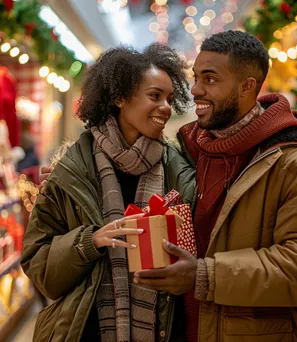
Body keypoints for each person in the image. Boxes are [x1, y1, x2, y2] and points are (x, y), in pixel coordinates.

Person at [132, 30, 297, 342]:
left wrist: (204, 275)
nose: (195, 90)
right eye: (196, 77)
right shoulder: (192, 154)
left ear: (247, 87)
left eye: (210, 79)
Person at [21, 43, 195, 342]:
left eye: (170, 99)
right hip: (86, 329)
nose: (166, 107)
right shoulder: (70, 171)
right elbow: (40, 268)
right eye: (155, 96)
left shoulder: (179, 169)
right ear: (119, 97)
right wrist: (91, 240)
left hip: (163, 326)